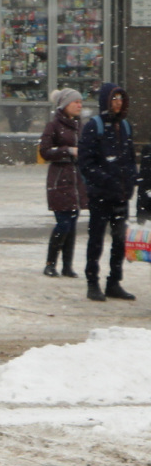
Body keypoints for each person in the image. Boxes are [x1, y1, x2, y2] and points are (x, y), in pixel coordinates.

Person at [78, 82, 137, 301]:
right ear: (105, 101)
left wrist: (130, 182)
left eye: (121, 99)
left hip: (120, 195)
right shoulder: (95, 126)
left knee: (120, 241)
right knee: (96, 240)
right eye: (114, 99)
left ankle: (114, 282)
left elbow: (130, 159)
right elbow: (85, 163)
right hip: (100, 195)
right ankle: (92, 282)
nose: (118, 103)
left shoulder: (125, 126)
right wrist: (105, 180)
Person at [38, 88, 87, 277]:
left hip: (76, 180)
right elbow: (45, 151)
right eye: (76, 102)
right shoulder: (53, 125)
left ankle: (67, 265)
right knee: (63, 223)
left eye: (81, 102)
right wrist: (68, 151)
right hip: (60, 179)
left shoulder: (80, 126)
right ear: (65, 105)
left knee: (73, 222)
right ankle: (50, 263)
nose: (79, 105)